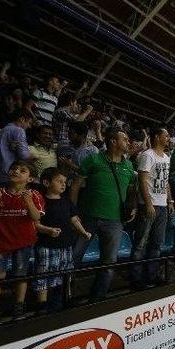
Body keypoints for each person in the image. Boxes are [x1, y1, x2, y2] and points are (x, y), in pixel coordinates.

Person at [71, 128, 137, 301]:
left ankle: (97, 299)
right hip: (87, 218)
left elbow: (132, 189)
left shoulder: (128, 165)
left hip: (115, 220)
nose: (128, 142)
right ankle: (64, 294)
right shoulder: (93, 159)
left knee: (109, 263)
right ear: (113, 141)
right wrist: (73, 211)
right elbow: (76, 184)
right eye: (125, 139)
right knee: (73, 258)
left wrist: (134, 207)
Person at [0, 160, 44, 326]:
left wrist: (28, 201)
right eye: (14, 169)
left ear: (30, 179)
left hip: (24, 242)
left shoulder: (34, 195)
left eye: (22, 170)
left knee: (20, 276)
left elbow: (36, 217)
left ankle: (18, 309)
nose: (16, 171)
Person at [34, 168, 91, 312]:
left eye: (64, 182)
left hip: (66, 244)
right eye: (59, 181)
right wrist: (48, 230)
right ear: (46, 182)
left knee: (66, 272)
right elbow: (35, 224)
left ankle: (67, 298)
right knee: (44, 274)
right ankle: (42, 304)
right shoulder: (40, 201)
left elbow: (74, 219)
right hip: (46, 245)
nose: (63, 184)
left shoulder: (67, 201)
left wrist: (83, 232)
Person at [130, 127, 173, 290]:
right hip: (148, 205)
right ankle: (136, 279)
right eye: (166, 135)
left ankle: (152, 276)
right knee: (140, 243)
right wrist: (148, 203)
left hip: (162, 205)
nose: (168, 138)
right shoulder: (147, 155)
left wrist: (170, 200)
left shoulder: (167, 157)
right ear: (156, 137)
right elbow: (142, 181)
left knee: (157, 243)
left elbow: (166, 180)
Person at [0, 109, 34, 185]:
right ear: (22, 119)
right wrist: (35, 156)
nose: (29, 126)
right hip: (10, 175)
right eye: (29, 123)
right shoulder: (19, 130)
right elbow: (24, 155)